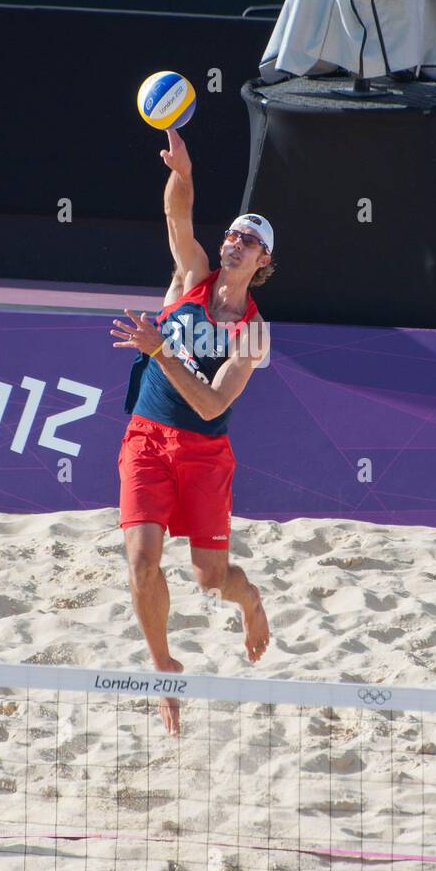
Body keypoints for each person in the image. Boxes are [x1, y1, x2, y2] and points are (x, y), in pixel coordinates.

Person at [111, 128, 274, 735]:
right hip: (147, 437)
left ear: (263, 262)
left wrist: (160, 352)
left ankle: (251, 602)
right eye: (232, 233)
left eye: (249, 240)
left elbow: (209, 406)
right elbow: (177, 215)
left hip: (205, 452)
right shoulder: (190, 279)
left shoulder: (254, 334)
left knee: (212, 579)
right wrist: (183, 172)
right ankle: (164, 669)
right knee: (143, 559)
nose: (234, 242)